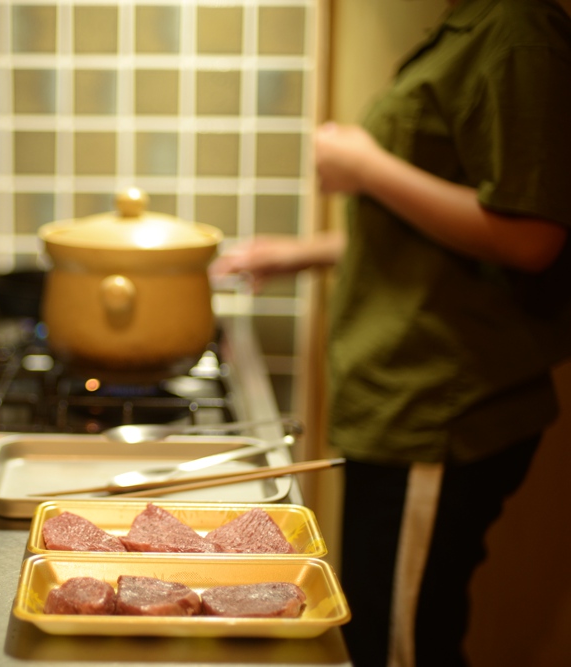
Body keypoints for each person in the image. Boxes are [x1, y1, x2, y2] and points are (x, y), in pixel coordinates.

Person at [212, 0, 571, 665]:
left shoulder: (518, 32)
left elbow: (532, 236)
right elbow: (430, 241)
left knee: (398, 645)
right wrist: (304, 251)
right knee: (385, 626)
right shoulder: (471, 24)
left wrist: (366, 166)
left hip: (438, 406)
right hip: (404, 400)